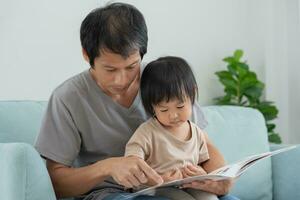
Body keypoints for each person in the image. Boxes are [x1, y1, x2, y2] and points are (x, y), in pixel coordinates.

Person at [35, 2, 238, 200]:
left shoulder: (164, 81)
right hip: (110, 193)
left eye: (132, 66)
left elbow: (205, 144)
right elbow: (55, 184)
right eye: (110, 69)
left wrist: (222, 180)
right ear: (87, 55)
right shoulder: (68, 98)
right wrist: (107, 167)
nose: (122, 80)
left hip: (180, 186)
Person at [125, 56, 218, 200]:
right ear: (152, 107)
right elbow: (131, 165)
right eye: (163, 110)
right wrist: (158, 178)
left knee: (210, 198)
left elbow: (204, 164)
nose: (173, 115)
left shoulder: (196, 132)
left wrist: (201, 174)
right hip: (157, 189)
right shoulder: (147, 132)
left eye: (180, 106)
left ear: (192, 94)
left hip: (188, 185)